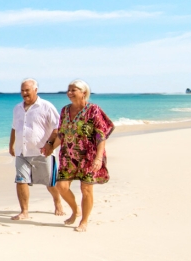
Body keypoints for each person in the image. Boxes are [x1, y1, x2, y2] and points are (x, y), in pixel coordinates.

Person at [47, 79, 114, 232]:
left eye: (73, 90)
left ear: (83, 93)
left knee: (86, 189)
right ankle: (75, 210)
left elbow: (100, 136)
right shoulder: (64, 110)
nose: (69, 93)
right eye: (68, 90)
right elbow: (62, 133)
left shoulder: (93, 110)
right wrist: (51, 147)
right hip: (68, 155)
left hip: (89, 155)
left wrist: (98, 157)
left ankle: (84, 221)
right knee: (61, 186)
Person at [9, 78, 65, 220]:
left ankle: (57, 201)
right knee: (21, 180)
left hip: (42, 152)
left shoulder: (46, 106)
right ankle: (24, 211)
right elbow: (14, 128)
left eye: (27, 90)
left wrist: (50, 145)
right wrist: (11, 145)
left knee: (49, 183)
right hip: (22, 151)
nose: (24, 93)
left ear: (35, 90)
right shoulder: (17, 108)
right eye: (22, 90)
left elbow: (58, 128)